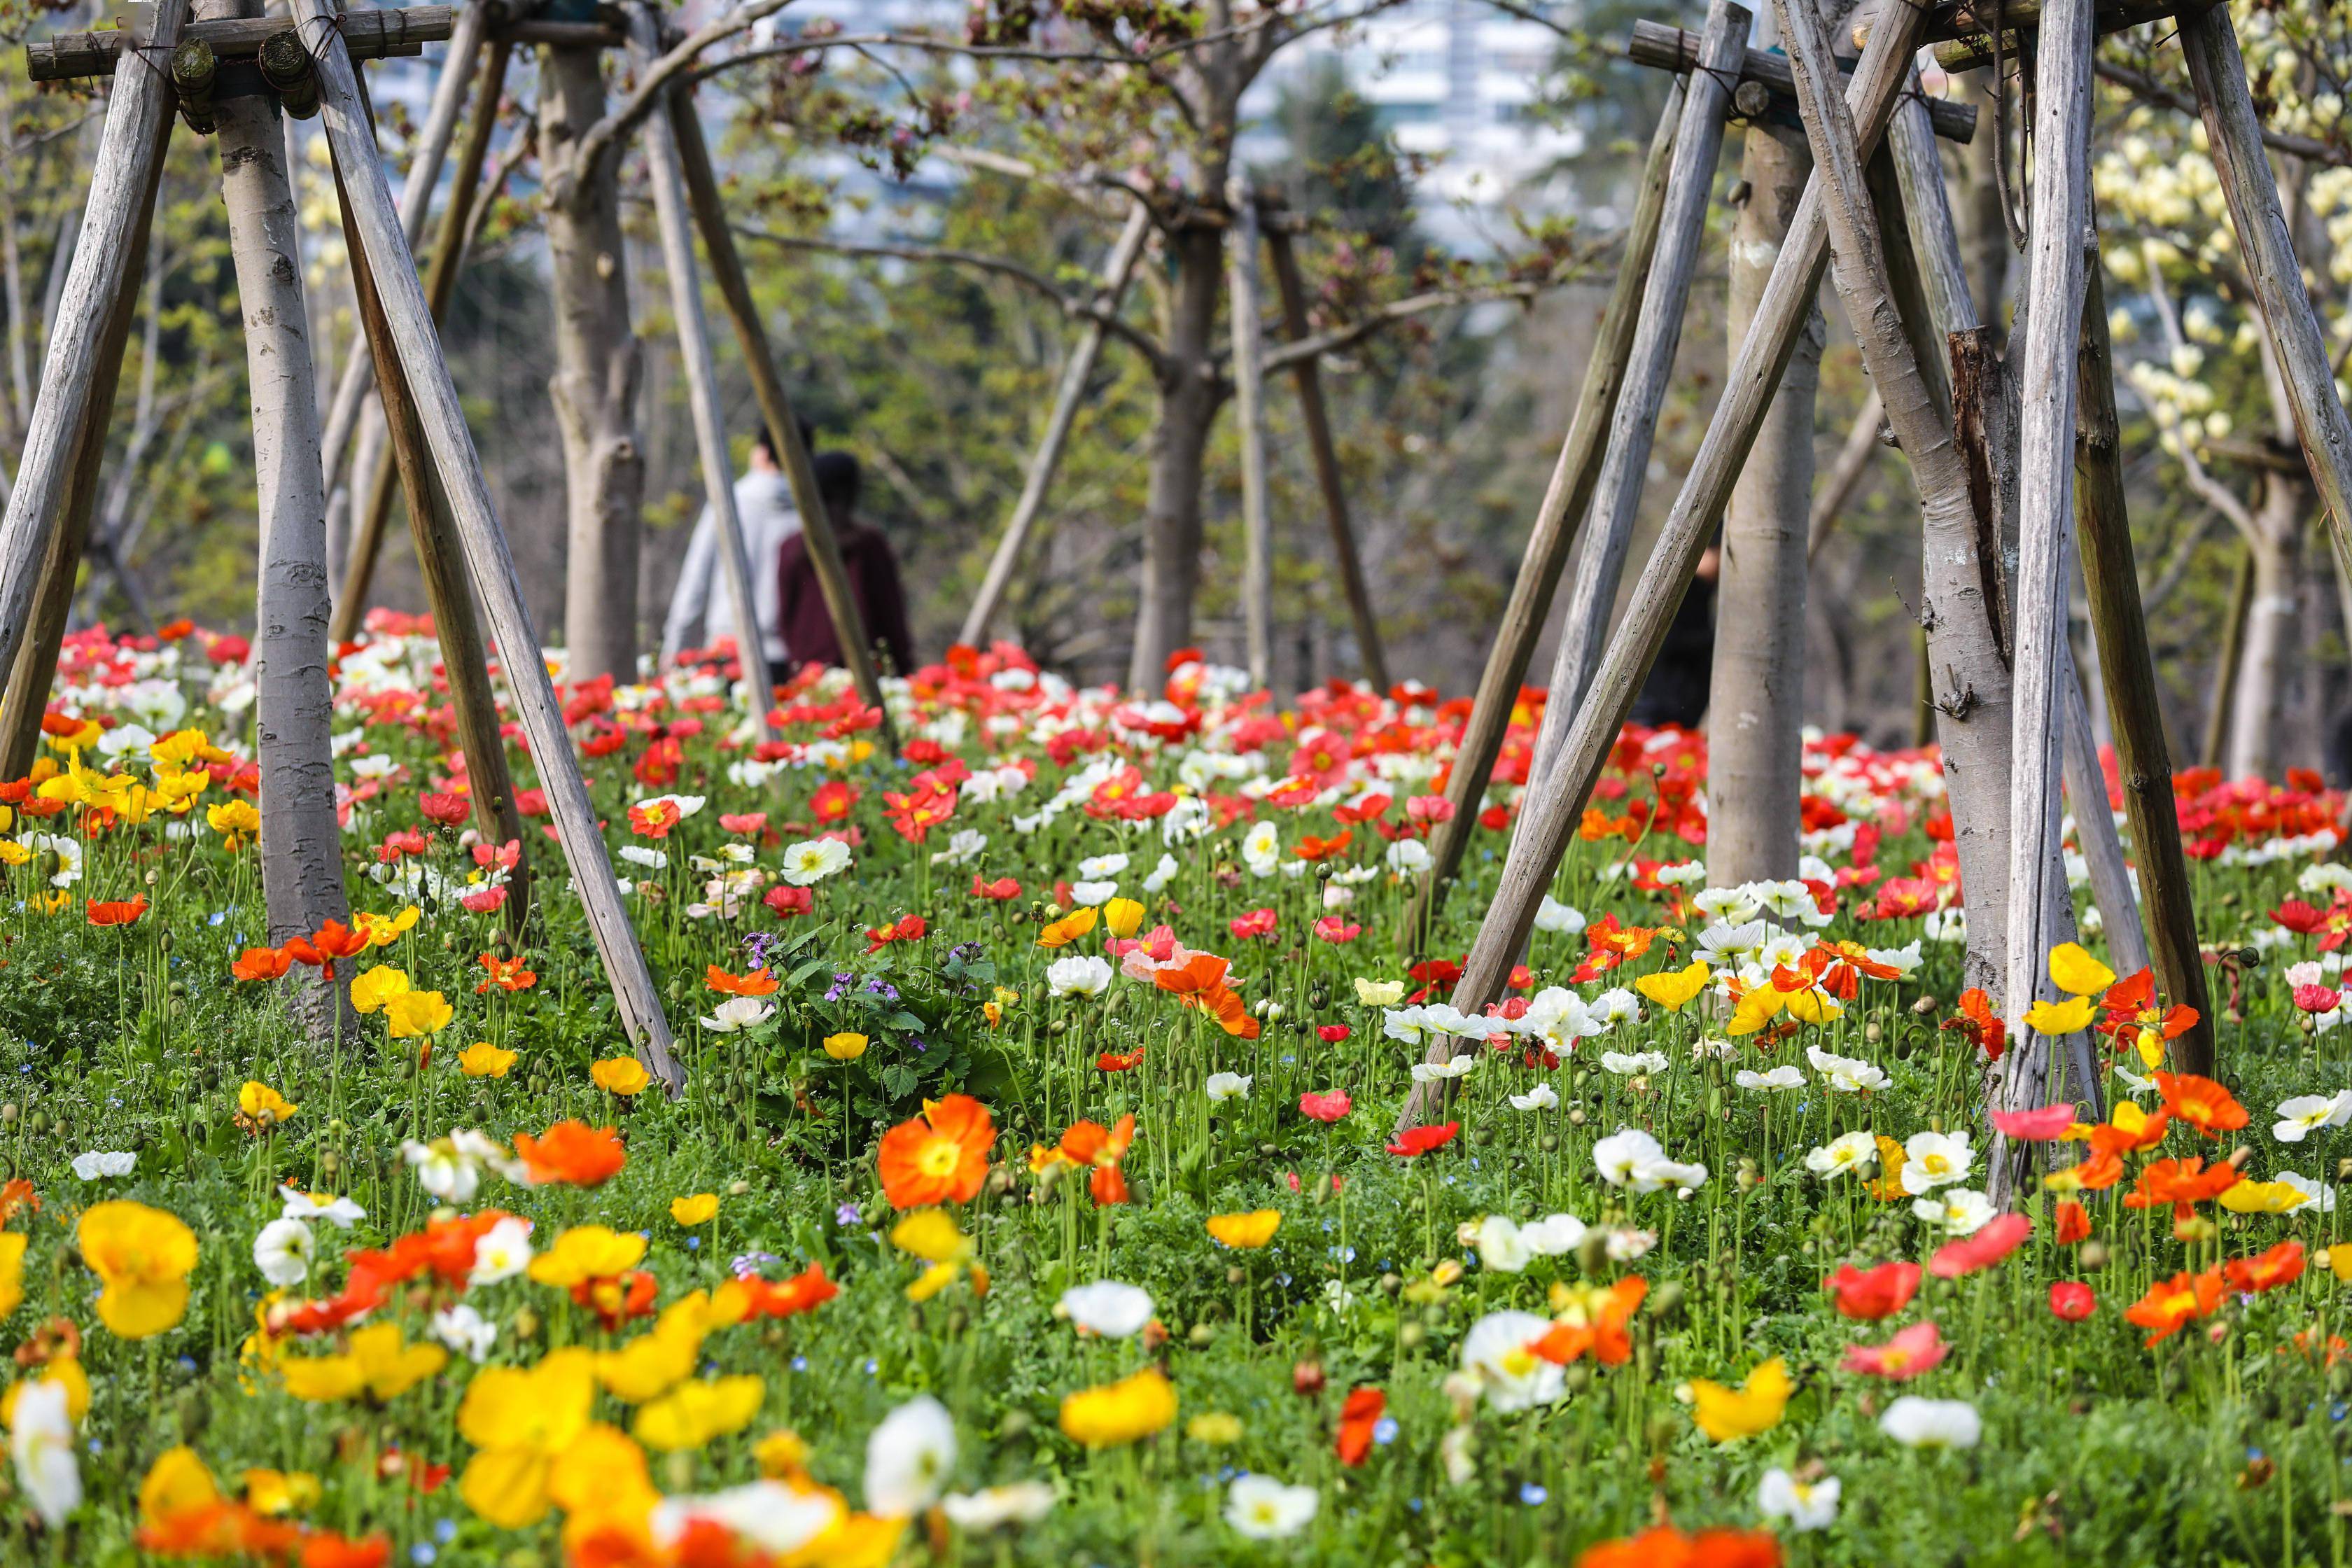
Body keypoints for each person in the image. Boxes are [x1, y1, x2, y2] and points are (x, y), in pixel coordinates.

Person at [659, 427, 800, 687]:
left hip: (727, 648)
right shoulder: (811, 515)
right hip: (790, 656)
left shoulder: (728, 501)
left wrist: (675, 648)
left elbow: (696, 579)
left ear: (762, 452)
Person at [775, 450, 917, 677]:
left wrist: (797, 663)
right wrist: (903, 664)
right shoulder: (868, 545)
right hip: (867, 669)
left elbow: (785, 618)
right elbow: (890, 614)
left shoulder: (792, 547)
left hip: (811, 671)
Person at [1629, 538, 1719, 728]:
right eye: (1717, 552)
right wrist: (1714, 641)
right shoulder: (1682, 589)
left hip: (1679, 710)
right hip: (1660, 709)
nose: (1720, 561)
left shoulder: (1703, 592)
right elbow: (1667, 640)